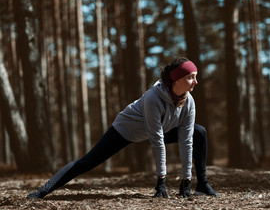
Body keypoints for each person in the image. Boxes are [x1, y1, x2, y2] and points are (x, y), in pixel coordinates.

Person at [27, 57, 218, 199]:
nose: (196, 81)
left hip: (159, 129)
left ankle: (201, 184)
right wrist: (161, 182)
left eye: (195, 77)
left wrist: (186, 181)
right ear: (176, 79)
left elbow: (186, 140)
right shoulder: (153, 98)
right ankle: (43, 191)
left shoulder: (188, 100)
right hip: (126, 130)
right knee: (88, 161)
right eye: (191, 77)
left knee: (198, 131)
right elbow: (157, 140)